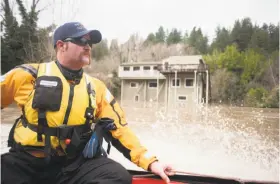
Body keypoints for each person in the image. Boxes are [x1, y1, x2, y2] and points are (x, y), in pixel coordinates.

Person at [1, 22, 174, 184]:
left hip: (72, 167)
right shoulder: (27, 75)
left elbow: (120, 130)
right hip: (26, 163)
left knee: (118, 176)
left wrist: (151, 162)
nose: (88, 46)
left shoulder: (96, 88)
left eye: (90, 43)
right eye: (81, 40)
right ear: (61, 45)